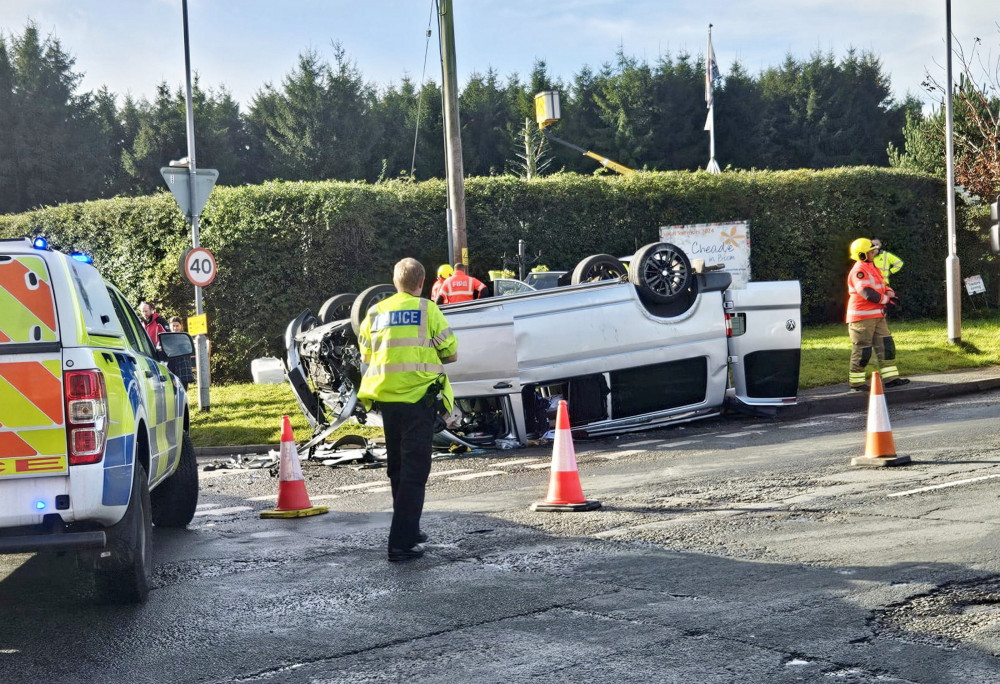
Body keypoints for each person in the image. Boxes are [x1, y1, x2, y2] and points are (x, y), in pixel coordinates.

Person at [357, 258, 459, 562]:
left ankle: (410, 529)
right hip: (418, 398)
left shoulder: (375, 312)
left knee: (399, 468)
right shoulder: (428, 309)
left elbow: (366, 353)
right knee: (416, 471)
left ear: (394, 281)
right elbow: (450, 353)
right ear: (422, 283)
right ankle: (400, 543)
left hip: (386, 399)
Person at [846, 238, 909, 391]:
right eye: (870, 251)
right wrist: (887, 300)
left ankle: (891, 379)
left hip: (878, 316)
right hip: (862, 318)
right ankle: (857, 383)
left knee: (886, 346)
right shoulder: (859, 270)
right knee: (863, 350)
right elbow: (867, 293)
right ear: (862, 255)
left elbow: (883, 284)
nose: (874, 252)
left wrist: (890, 293)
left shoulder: (871, 266)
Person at [166, 316, 194, 390]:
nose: (175, 328)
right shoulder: (166, 338)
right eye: (173, 326)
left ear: (181, 326)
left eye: (177, 326)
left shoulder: (185, 337)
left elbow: (189, 351)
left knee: (183, 389)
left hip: (182, 366)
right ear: (170, 326)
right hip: (171, 366)